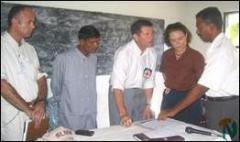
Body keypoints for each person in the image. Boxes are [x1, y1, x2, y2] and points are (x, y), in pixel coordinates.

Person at [158, 7, 239, 140]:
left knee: (224, 138)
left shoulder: (221, 51)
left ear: (211, 27)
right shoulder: (218, 47)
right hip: (218, 105)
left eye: (199, 27)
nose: (197, 31)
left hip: (225, 107)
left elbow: (202, 86)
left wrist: (173, 110)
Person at [1, 5, 47, 140]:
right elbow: (2, 85)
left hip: (35, 113)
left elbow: (40, 78)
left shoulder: (30, 49)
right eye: (30, 22)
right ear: (15, 21)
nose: (33, 26)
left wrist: (40, 102)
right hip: (11, 116)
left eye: (34, 22)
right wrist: (27, 109)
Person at [109, 19, 157, 127]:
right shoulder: (124, 53)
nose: (151, 37)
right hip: (123, 93)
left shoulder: (152, 53)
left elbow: (149, 81)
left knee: (142, 125)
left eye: (152, 33)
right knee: (122, 127)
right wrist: (122, 113)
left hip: (141, 93)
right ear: (135, 36)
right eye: (147, 34)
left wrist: (148, 105)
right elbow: (117, 86)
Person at [51, 25, 100, 130]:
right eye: (92, 42)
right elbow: (56, 87)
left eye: (97, 42)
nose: (96, 45)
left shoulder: (94, 59)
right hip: (70, 114)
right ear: (82, 41)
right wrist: (67, 105)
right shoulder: (63, 59)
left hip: (90, 112)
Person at [159, 22, 205, 125]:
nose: (178, 43)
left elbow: (201, 82)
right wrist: (170, 85)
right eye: (173, 40)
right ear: (169, 41)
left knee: (189, 131)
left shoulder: (196, 56)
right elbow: (164, 72)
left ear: (186, 36)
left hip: (189, 98)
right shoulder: (166, 55)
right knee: (165, 128)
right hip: (170, 97)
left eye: (180, 38)